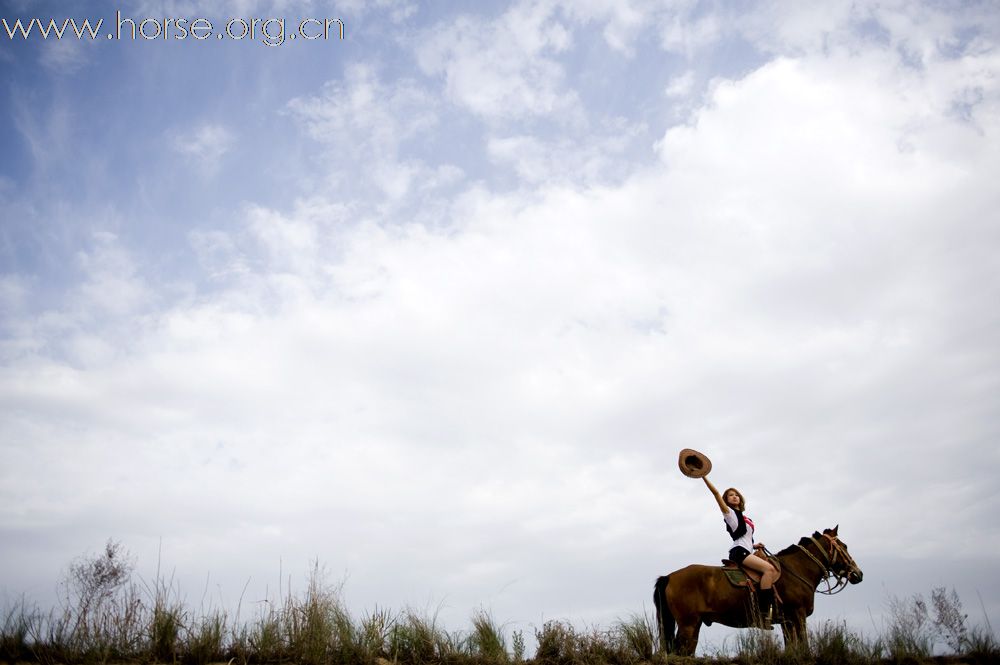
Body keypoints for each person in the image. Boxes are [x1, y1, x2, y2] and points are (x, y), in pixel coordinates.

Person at [703, 476, 778, 628]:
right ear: (726, 500)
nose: (734, 496)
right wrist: (704, 476)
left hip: (746, 549)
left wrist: (754, 545)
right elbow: (716, 493)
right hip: (739, 552)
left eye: (736, 494)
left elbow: (744, 537)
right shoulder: (728, 512)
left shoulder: (745, 517)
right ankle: (764, 614)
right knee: (769, 570)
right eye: (730, 495)